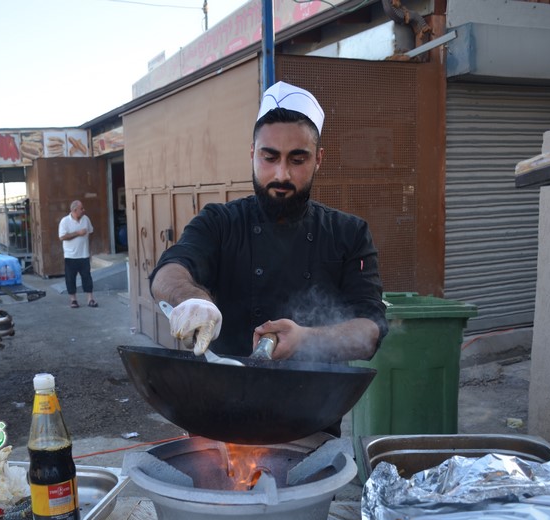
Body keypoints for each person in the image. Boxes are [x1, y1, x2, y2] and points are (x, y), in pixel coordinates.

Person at [150, 80, 388, 365]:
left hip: (317, 401)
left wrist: (306, 339)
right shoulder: (219, 222)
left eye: (297, 159)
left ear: (318, 159)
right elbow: (169, 271)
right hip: (224, 394)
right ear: (253, 154)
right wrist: (192, 300)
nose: (281, 174)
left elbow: (370, 330)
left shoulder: (349, 234)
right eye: (269, 157)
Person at [59, 200, 97, 308]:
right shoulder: (65, 221)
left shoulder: (86, 219)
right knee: (70, 278)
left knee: (87, 277)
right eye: (81, 209)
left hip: (84, 254)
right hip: (70, 256)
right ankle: (73, 300)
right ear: (75, 210)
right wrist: (78, 233)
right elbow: (62, 237)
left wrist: (90, 248)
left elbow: (91, 232)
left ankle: (90, 299)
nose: (84, 210)